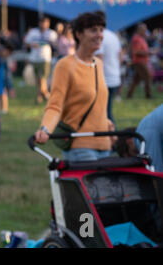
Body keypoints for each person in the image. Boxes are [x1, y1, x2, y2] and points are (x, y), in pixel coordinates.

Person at [34, 11, 115, 161]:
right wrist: (45, 129)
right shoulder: (65, 65)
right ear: (78, 34)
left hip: (105, 145)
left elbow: (98, 104)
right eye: (93, 30)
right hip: (80, 147)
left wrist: (108, 126)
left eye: (101, 30)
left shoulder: (98, 64)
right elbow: (55, 106)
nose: (99, 35)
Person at [115, 105, 163, 172]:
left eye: (132, 156)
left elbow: (156, 171)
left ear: (129, 141)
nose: (137, 158)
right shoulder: (146, 125)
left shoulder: (143, 138)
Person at [94, 11, 122, 125]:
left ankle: (112, 136)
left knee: (105, 112)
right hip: (114, 76)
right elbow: (120, 56)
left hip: (105, 78)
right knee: (106, 109)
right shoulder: (113, 35)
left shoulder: (100, 37)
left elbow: (99, 58)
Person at [24, 17, 58, 104]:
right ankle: (44, 94)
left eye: (45, 22)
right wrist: (32, 44)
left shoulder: (51, 33)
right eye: (42, 22)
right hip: (34, 58)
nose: (43, 24)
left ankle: (44, 96)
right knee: (38, 79)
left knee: (42, 78)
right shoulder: (33, 32)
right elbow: (26, 42)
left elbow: (55, 44)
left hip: (45, 58)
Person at [126, 23, 153, 99]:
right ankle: (148, 95)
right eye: (144, 30)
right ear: (140, 30)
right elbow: (136, 52)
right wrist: (149, 52)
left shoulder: (141, 38)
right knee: (148, 76)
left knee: (136, 80)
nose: (145, 31)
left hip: (142, 61)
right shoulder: (136, 39)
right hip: (139, 61)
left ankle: (129, 95)